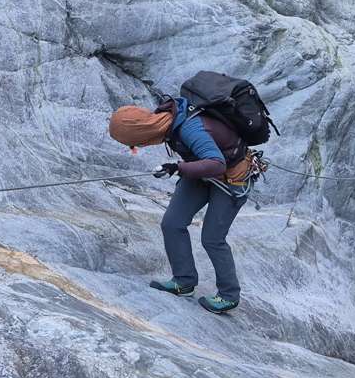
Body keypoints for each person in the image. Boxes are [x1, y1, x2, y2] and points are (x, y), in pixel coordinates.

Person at [107, 88, 261, 314]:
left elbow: (217, 163)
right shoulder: (165, 119)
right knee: (172, 223)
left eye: (133, 143)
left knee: (212, 238)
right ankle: (184, 281)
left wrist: (177, 168)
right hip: (201, 172)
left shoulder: (189, 128)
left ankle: (229, 295)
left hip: (231, 178)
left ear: (141, 133)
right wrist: (178, 168)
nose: (136, 147)